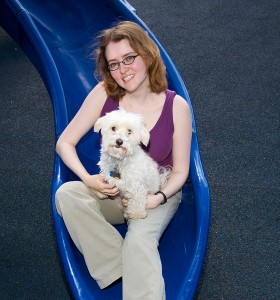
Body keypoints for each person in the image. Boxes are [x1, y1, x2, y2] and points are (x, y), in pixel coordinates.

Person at [55, 21, 192, 300]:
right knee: (67, 194)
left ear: (147, 55)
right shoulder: (105, 93)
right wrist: (87, 178)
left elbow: (181, 171)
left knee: (139, 240)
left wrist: (160, 198)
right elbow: (64, 143)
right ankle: (116, 265)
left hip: (155, 190)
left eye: (129, 58)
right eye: (114, 64)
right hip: (114, 188)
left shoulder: (175, 106)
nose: (122, 70)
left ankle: (135, 266)